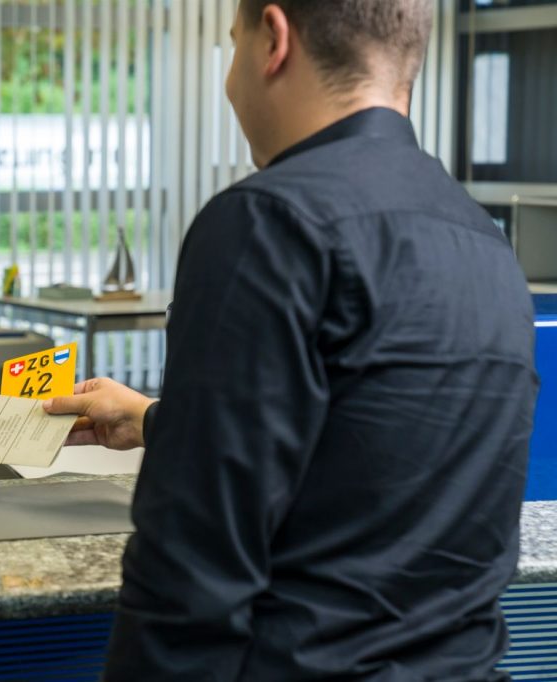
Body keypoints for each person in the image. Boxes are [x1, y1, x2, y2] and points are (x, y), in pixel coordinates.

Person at [44, 1, 539, 679]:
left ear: (273, 40)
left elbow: (191, 567)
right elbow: (372, 464)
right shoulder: (484, 242)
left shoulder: (268, 222)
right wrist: (156, 420)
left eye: (231, 45)